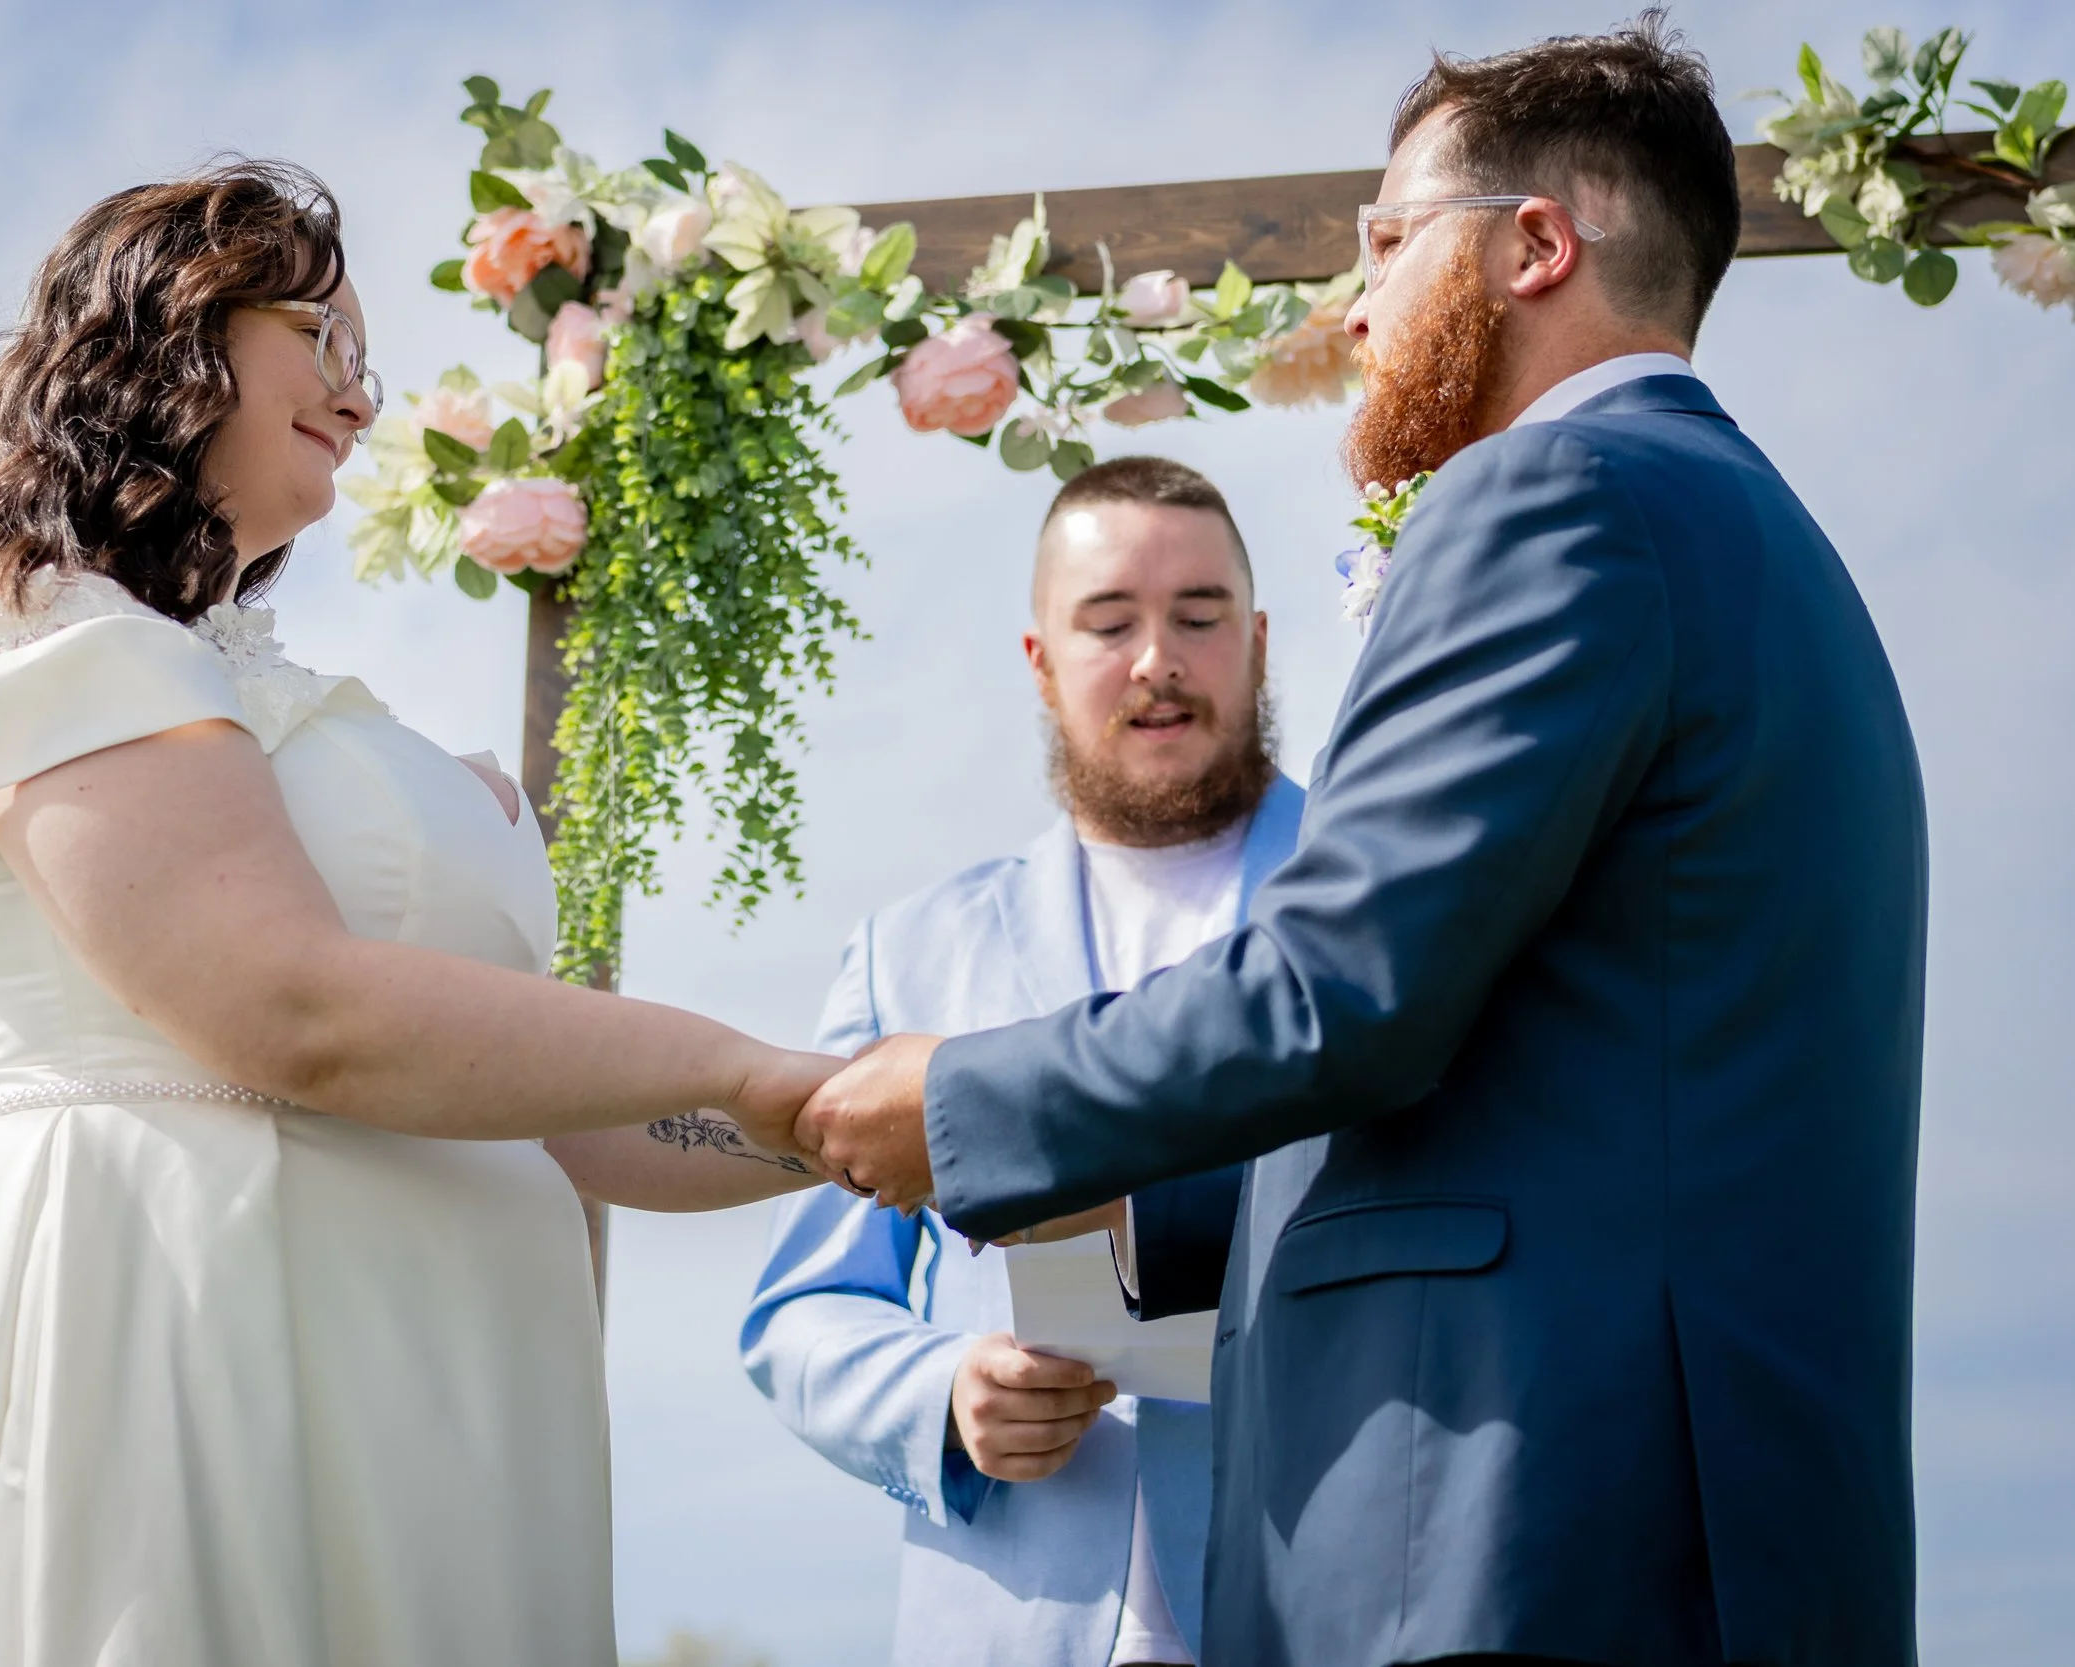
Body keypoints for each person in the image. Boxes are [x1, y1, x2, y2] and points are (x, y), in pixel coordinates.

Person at [0, 161, 836, 1667]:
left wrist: (850, 1126)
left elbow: (567, 1119)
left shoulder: (268, 702)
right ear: (172, 328)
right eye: (327, 338)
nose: (362, 404)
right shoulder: (47, 641)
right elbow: (288, 1005)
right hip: (163, 1328)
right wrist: (754, 1065)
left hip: (428, 1401)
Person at [786, 17, 1927, 1667]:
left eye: (1388, 241)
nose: (1356, 302)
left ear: (1535, 246)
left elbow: (1343, 986)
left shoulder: (1557, 502)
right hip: (1705, 1527)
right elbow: (1538, 1043)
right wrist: (1129, 1213)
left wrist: (962, 1105)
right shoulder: (1754, 539)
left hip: (1533, 1531)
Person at [743, 458, 1304, 1667]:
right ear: (1040, 659)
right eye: (1109, 622)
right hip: (1009, 1619)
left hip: (1326, 1599)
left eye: (1199, 617)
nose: (1157, 657)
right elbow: (801, 1312)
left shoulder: (1378, 905)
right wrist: (941, 1393)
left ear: (1256, 640)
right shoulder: (912, 951)